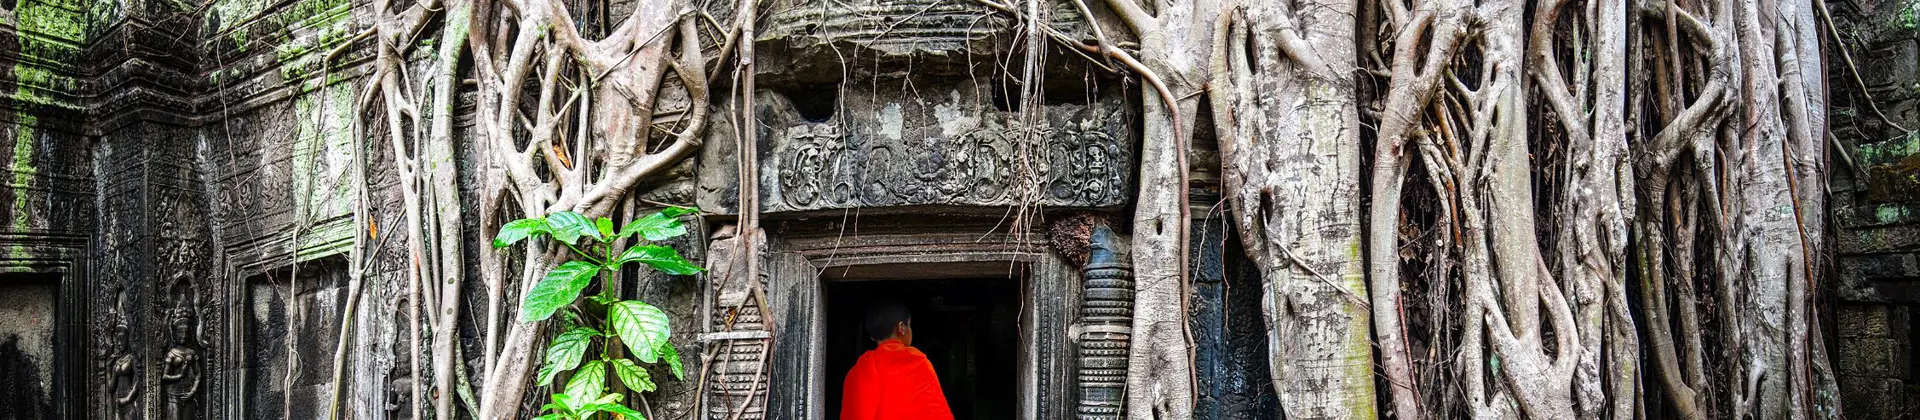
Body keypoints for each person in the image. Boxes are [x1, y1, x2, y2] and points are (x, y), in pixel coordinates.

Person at [840, 299, 953, 420]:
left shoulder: (856, 372)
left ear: (872, 337)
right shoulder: (916, 361)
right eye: (909, 325)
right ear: (901, 328)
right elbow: (935, 412)